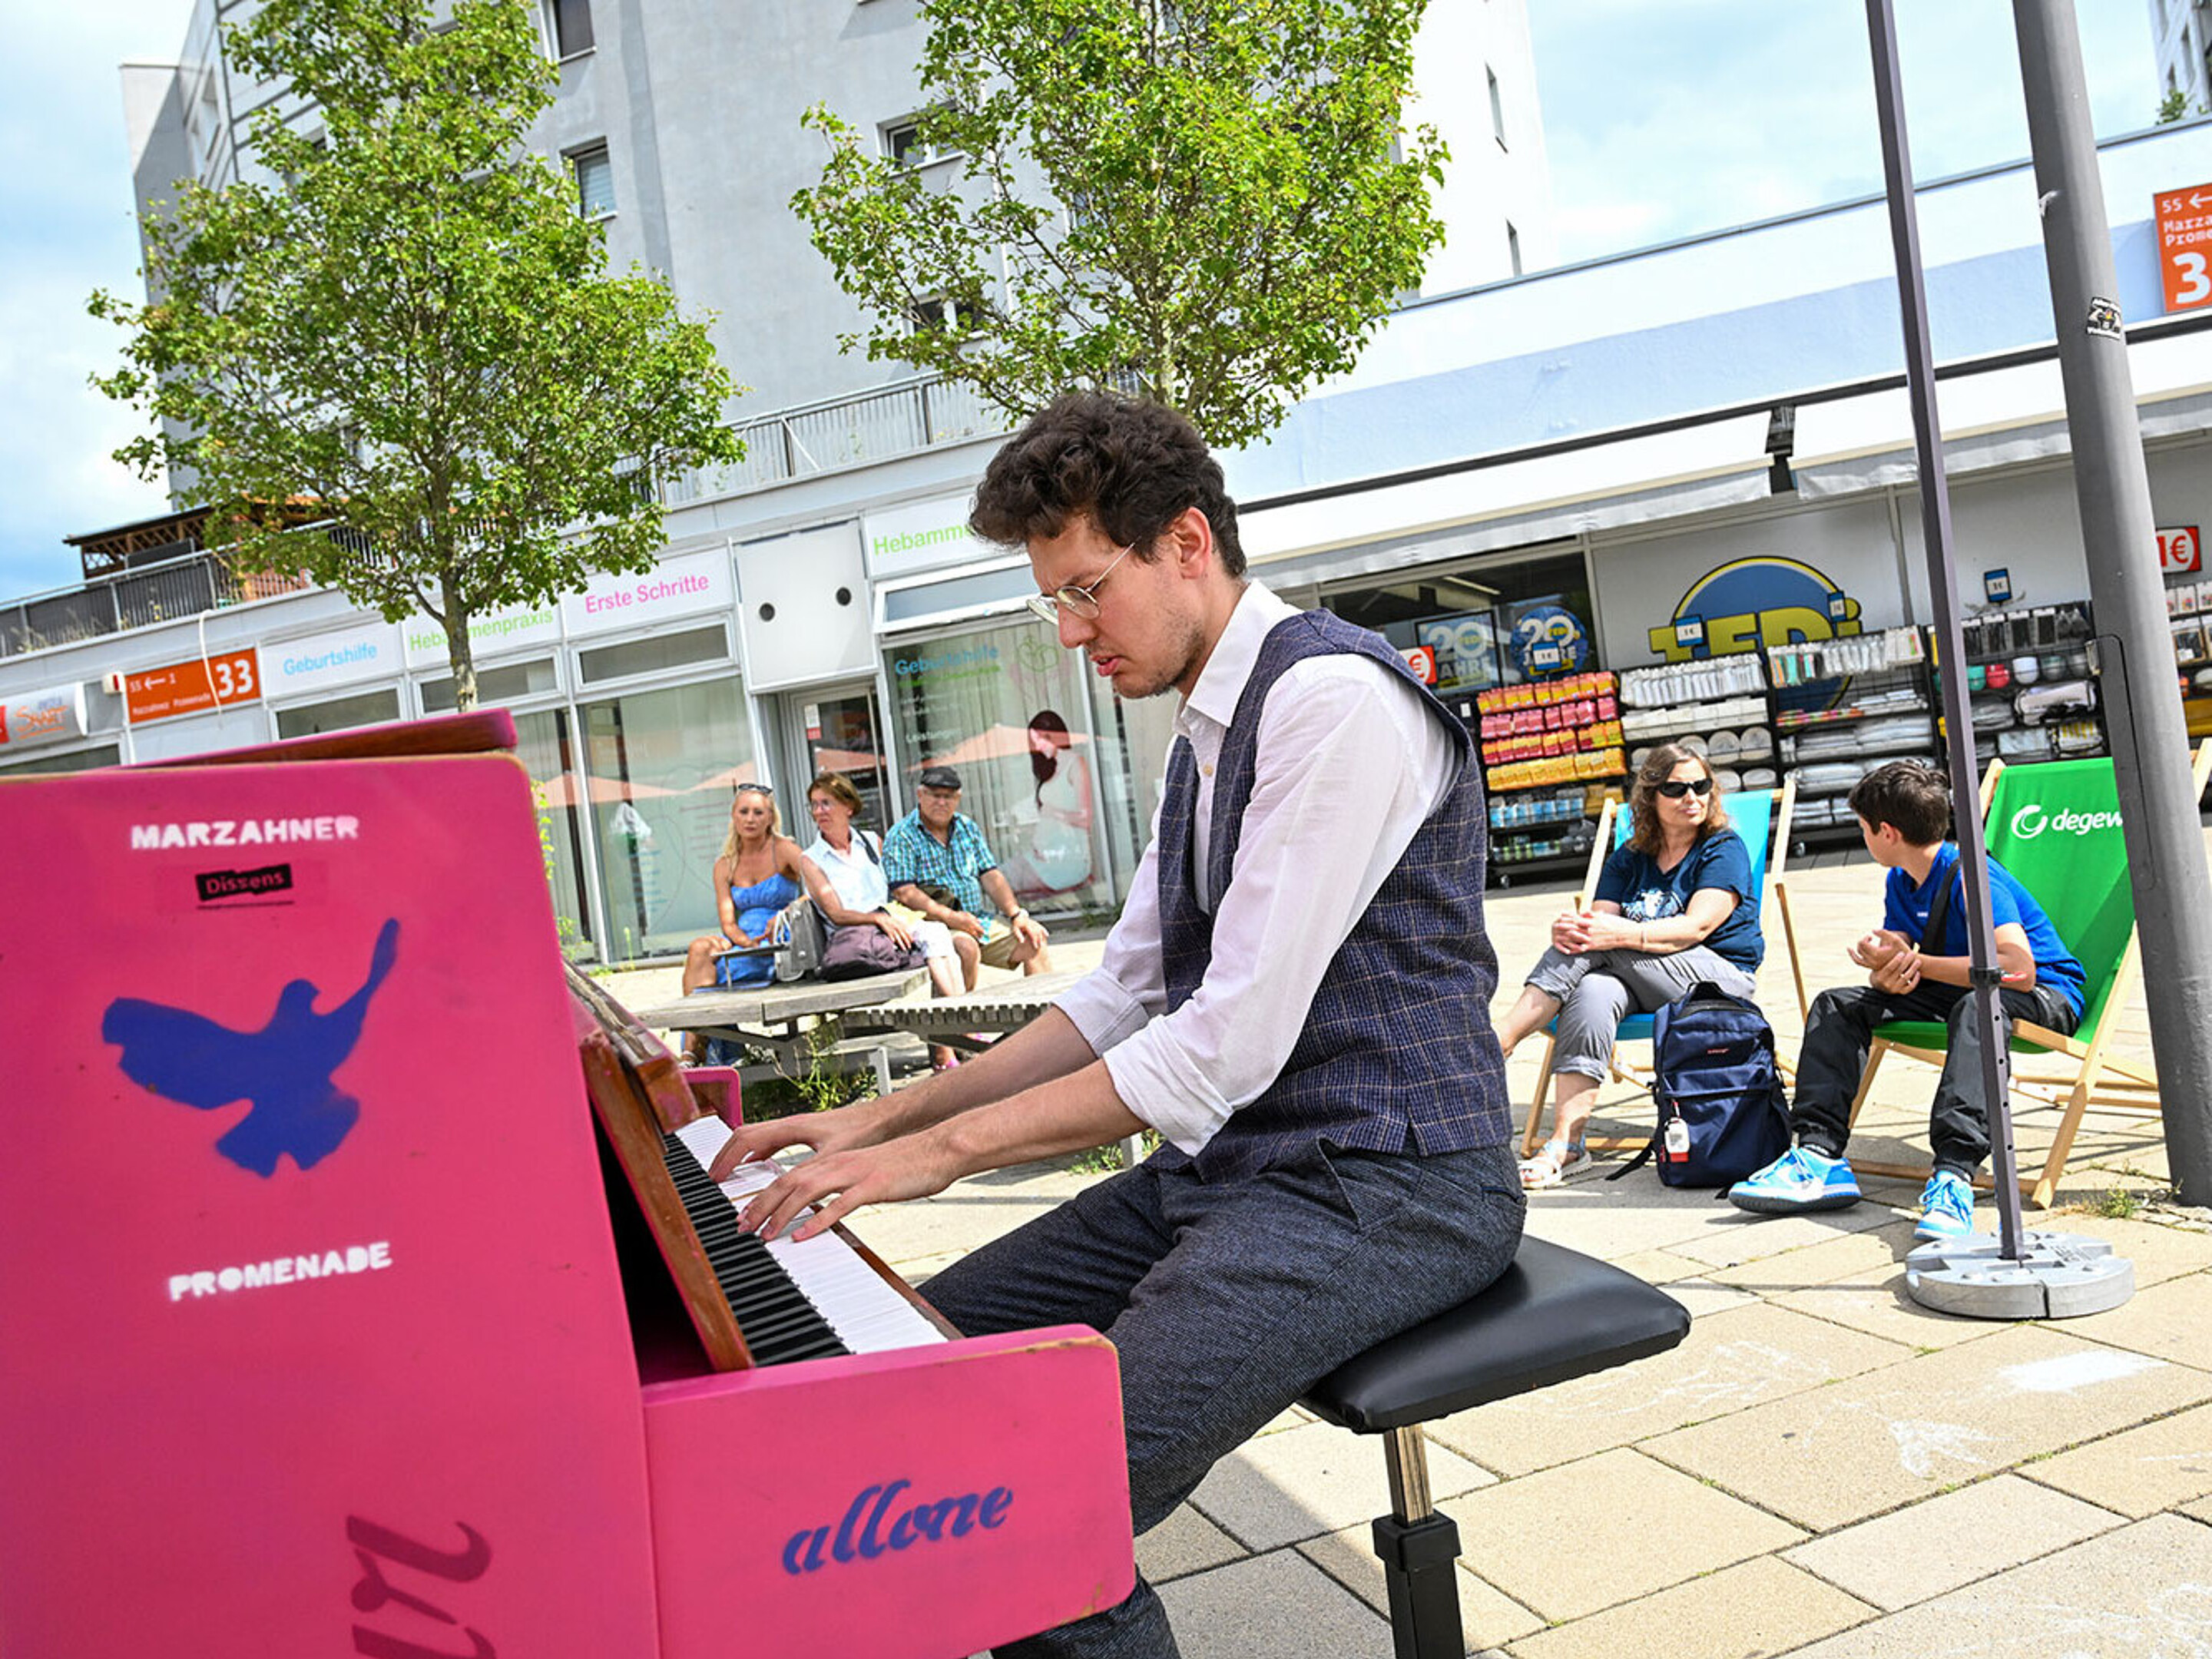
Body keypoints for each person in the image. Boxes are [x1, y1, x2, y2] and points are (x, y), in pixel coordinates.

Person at [710, 390, 1525, 1659]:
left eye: (1089, 589)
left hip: (1393, 1184)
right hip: (1239, 1175)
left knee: (1029, 1506)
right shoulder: (1204, 734)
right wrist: (880, 1115)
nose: (1073, 630)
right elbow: (1118, 995)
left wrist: (931, 1160)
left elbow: (1220, 1046)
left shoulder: (1332, 704)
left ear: (1187, 544)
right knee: (913, 1388)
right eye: (1056, 599)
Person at [1729, 759, 2085, 1240]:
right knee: (1839, 1005)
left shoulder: (1970, 877)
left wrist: (1921, 966)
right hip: (1960, 988)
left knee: (1978, 1006)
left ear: (1888, 832)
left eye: (1864, 828)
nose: (1864, 838)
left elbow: (2018, 968)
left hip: (2044, 996)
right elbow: (1902, 956)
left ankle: (1955, 1174)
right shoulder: (1901, 878)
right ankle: (1818, 1155)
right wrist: (1884, 969)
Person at [1494, 742, 1764, 1188]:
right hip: (1641, 974)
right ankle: (1568, 1143)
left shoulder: (1722, 847)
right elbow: (1598, 927)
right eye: (1677, 789)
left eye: (1701, 786)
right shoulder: (1631, 857)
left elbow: (1695, 928)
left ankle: (1499, 1040)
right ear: (1651, 797)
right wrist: (1571, 932)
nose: (1692, 798)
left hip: (1717, 980)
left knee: (1599, 944)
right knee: (1592, 989)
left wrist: (1607, 934)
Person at [802, 772, 975, 1070]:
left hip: (888, 926)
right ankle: (963, 1027)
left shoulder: (870, 842)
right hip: (856, 937)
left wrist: (893, 916)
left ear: (848, 807)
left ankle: (950, 1042)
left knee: (945, 938)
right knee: (936, 939)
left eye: (826, 804)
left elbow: (891, 891)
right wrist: (879, 920)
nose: (819, 812)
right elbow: (836, 914)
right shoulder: (811, 858)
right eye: (815, 805)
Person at [881, 763, 1055, 983]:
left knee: (1033, 940)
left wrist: (1016, 914)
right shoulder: (902, 835)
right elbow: (905, 893)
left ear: (958, 798)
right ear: (920, 795)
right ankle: (963, 1014)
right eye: (935, 795)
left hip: (975, 919)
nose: (942, 802)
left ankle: (1041, 1013)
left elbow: (991, 876)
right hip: (931, 927)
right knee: (966, 947)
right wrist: (953, 918)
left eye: (949, 797)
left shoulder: (967, 827)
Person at [679, 783, 808, 995]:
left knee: (710, 976)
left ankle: (702, 1025)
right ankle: (700, 1024)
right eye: (744, 812)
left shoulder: (784, 849)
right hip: (743, 940)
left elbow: (819, 888)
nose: (750, 819)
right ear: (734, 816)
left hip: (778, 941)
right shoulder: (725, 864)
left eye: (758, 813)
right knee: (699, 949)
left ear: (770, 818)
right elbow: (728, 924)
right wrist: (747, 943)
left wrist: (788, 912)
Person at [996, 709, 1096, 896]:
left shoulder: (1075, 764)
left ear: (1055, 736)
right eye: (1033, 742)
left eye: (1041, 739)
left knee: (999, 882)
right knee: (997, 879)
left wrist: (1053, 813)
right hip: (1044, 856)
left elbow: (1086, 819)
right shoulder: (1050, 769)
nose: (1038, 747)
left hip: (1065, 860)